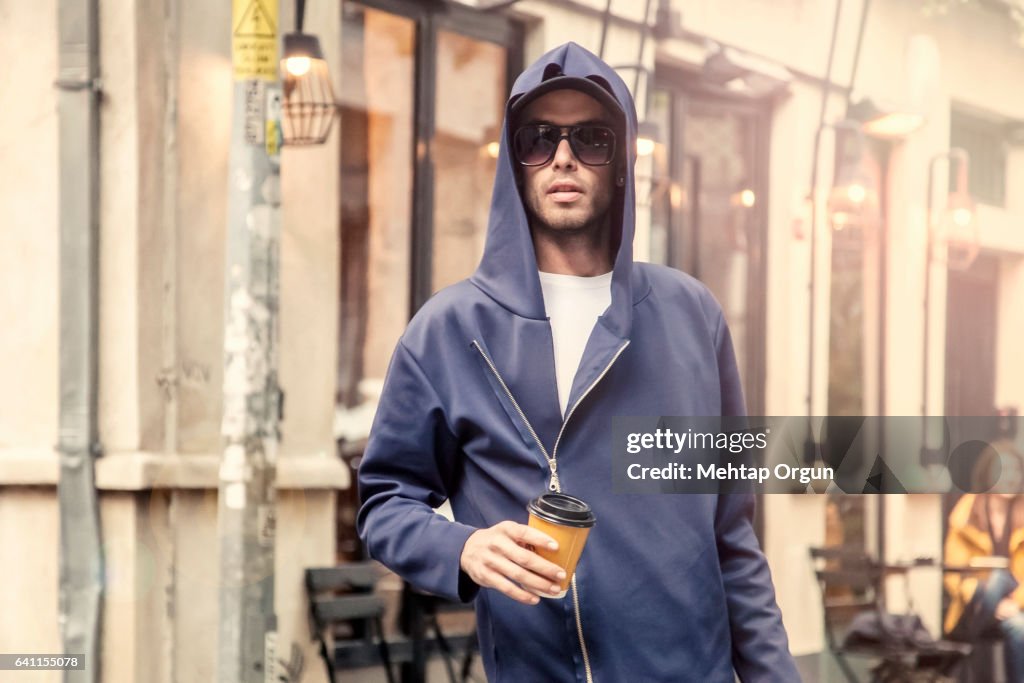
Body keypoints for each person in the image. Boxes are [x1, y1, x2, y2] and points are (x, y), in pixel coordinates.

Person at [357, 41, 798, 682]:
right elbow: (385, 501)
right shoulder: (448, 331)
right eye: (539, 138)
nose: (563, 156)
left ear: (621, 163)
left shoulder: (691, 315)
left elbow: (733, 537)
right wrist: (464, 547)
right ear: (515, 162)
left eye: (591, 138)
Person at [945, 440, 1024, 679]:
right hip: (977, 601)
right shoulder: (968, 510)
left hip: (1014, 600)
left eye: (1015, 470)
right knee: (1018, 625)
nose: (1010, 477)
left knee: (1001, 579)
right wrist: (986, 600)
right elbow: (955, 571)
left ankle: (951, 658)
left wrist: (1015, 603)